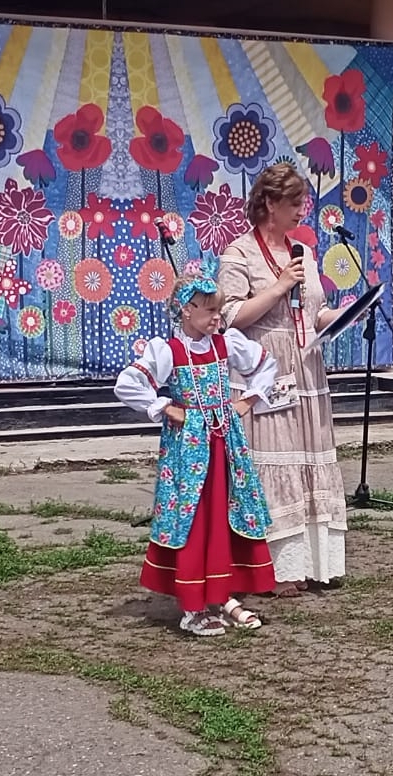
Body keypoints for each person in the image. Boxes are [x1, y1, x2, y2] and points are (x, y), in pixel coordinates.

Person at [113, 258, 277, 635]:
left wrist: (247, 400)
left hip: (224, 446)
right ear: (186, 311)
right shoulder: (169, 349)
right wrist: (166, 407)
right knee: (194, 518)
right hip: (188, 452)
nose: (217, 317)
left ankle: (219, 593)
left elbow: (266, 366)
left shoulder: (225, 343)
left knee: (224, 514)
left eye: (219, 310)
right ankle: (192, 605)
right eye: (210, 310)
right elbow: (128, 383)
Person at [218, 162, 350, 597]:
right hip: (263, 367)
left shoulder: (303, 253)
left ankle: (313, 563)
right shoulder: (239, 253)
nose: (302, 211)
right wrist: (276, 287)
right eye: (295, 203)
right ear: (270, 203)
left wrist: (342, 316)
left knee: (308, 459)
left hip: (305, 366)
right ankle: (270, 569)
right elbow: (230, 318)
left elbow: (314, 312)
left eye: (303, 203)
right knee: (272, 461)